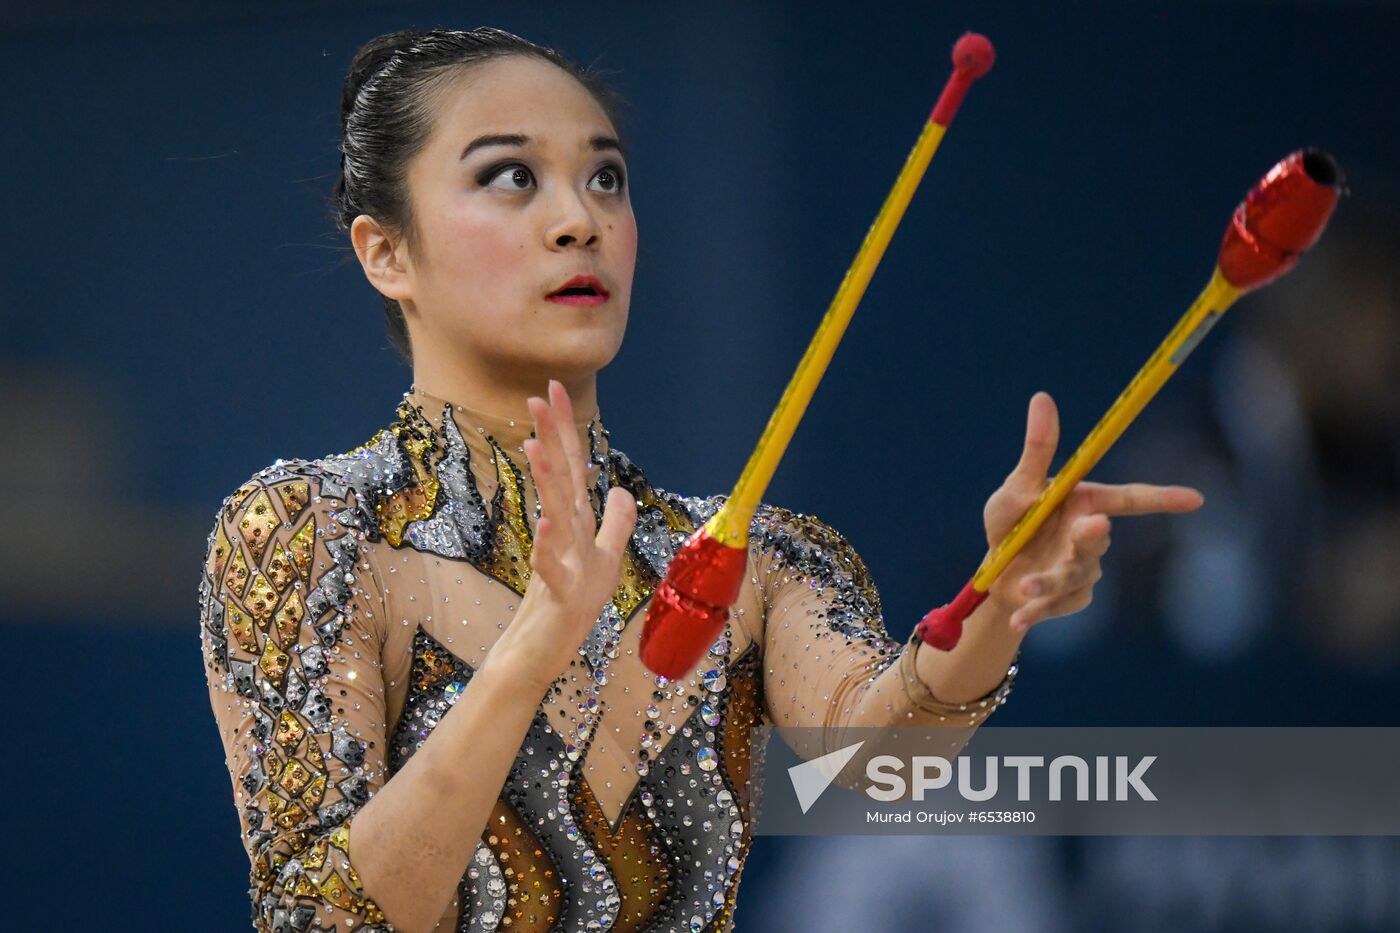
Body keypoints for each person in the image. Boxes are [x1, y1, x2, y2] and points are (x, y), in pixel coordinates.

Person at [198, 26, 1204, 933]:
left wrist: (997, 604)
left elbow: (878, 769)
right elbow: (322, 920)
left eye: (605, 180)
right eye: (510, 178)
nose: (577, 220)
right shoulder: (311, 535)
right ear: (386, 252)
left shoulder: (751, 558)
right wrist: (530, 654)